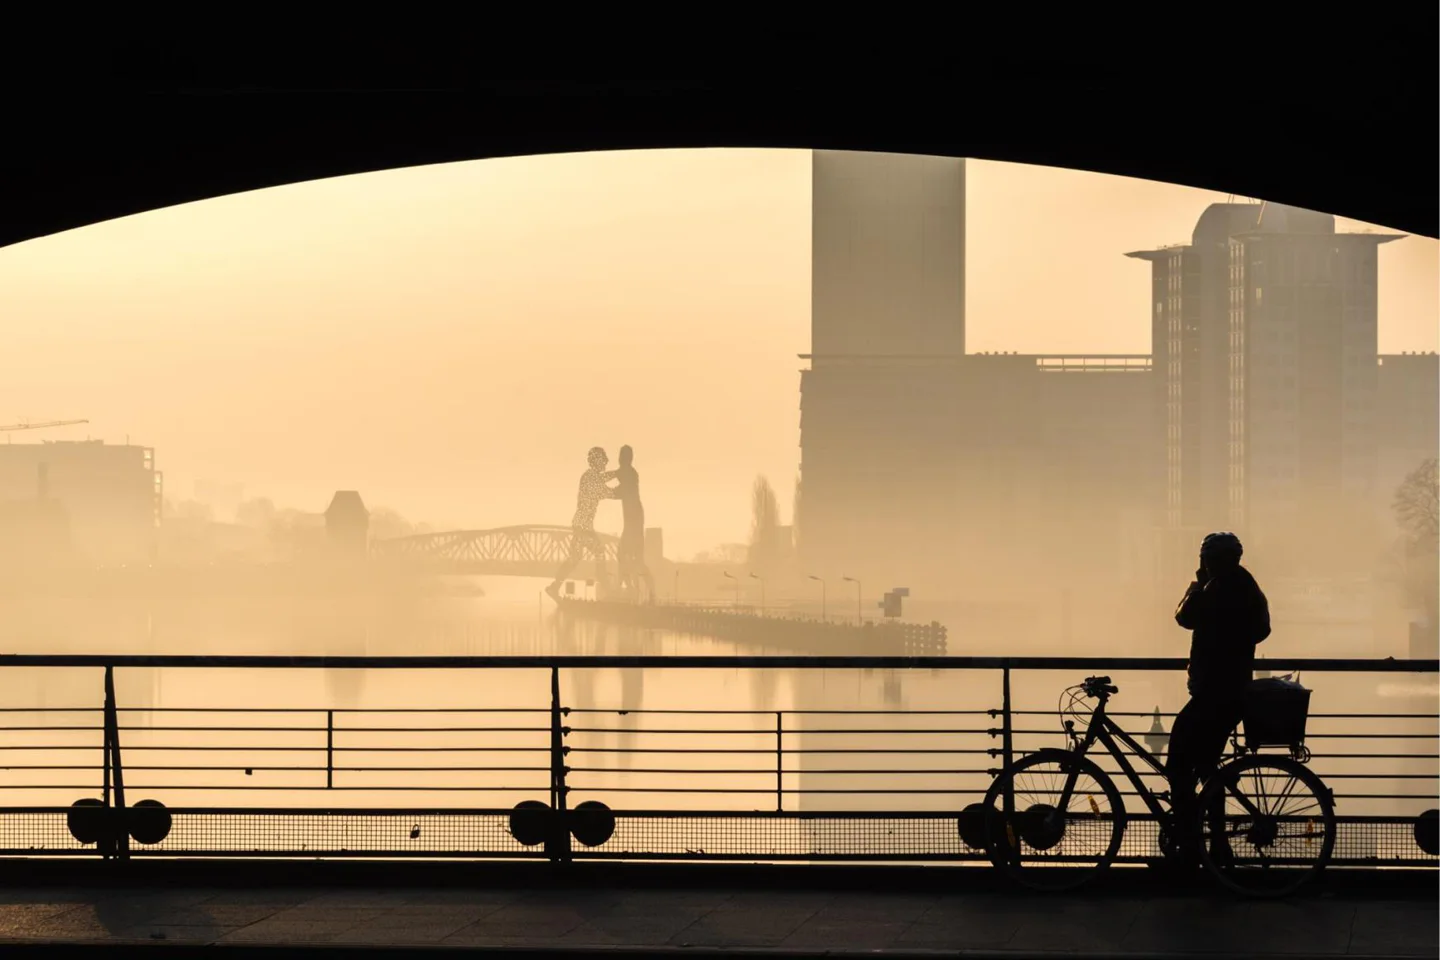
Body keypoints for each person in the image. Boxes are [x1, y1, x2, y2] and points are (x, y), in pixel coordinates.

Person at [1165, 530, 1271, 864]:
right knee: (1208, 768)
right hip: (1233, 691)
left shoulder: (1217, 588)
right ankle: (1217, 845)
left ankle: (1190, 843)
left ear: (1212, 560)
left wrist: (1197, 583)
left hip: (1213, 693)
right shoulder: (1247, 587)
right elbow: (1262, 630)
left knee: (1178, 764)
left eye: (1206, 559)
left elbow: (1184, 617)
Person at [546, 447, 619, 601]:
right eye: (603, 460)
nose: (606, 463)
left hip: (581, 525)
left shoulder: (589, 476)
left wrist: (617, 473)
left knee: (575, 557)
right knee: (598, 551)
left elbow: (603, 478)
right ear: (596, 461)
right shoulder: (591, 479)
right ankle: (606, 588)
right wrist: (623, 487)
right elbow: (608, 492)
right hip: (583, 528)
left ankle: (554, 587)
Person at [605, 445, 655, 602]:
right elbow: (611, 476)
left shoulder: (629, 473)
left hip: (634, 520)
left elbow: (619, 491)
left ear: (626, 458)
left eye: (622, 456)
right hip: (633, 520)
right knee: (628, 557)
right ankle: (641, 590)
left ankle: (643, 591)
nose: (619, 459)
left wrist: (599, 490)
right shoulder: (626, 472)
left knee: (631, 558)